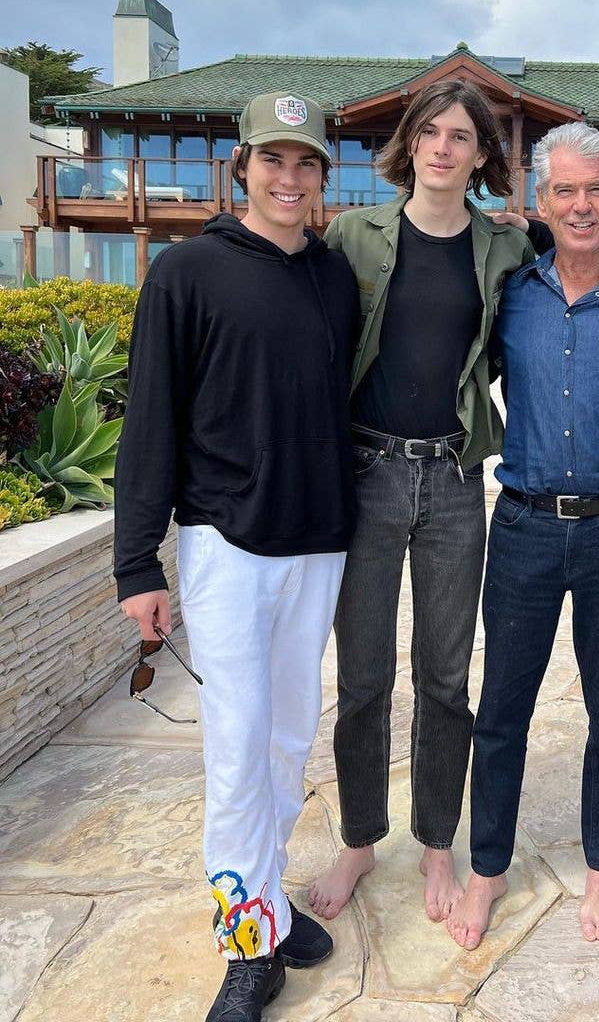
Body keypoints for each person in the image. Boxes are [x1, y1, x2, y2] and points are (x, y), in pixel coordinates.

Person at [114, 91, 360, 1022]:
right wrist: (138, 563)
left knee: (290, 738)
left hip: (318, 541)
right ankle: (247, 943)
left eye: (305, 164)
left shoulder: (335, 277)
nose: (288, 178)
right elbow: (150, 423)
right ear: (241, 168)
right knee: (236, 747)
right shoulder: (187, 272)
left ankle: (267, 891)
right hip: (225, 544)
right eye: (273, 161)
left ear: (320, 178)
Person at [446, 121, 599, 951]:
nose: (581, 205)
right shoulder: (510, 292)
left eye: (596, 190)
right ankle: (487, 872)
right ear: (539, 200)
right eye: (564, 191)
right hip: (523, 530)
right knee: (502, 712)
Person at [306, 80, 534, 925]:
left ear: (482, 156)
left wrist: (533, 224)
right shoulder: (350, 235)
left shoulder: (501, 247)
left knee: (444, 677)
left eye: (462, 137)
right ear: (411, 144)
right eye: (430, 132)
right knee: (363, 676)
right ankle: (362, 838)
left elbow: (559, 273)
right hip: (365, 476)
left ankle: (438, 842)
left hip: (453, 481)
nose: (444, 147)